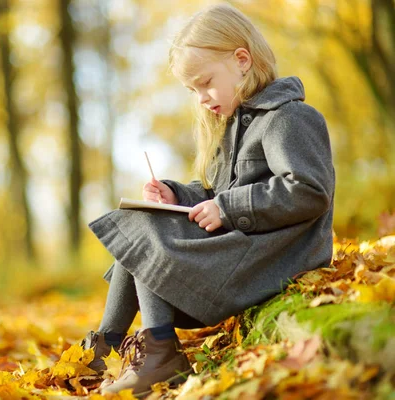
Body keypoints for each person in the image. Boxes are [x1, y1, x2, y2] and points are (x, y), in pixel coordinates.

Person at [81, 3, 335, 397]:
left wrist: (229, 209)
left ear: (242, 61)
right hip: (245, 251)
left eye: (205, 83)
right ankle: (107, 347)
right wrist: (174, 194)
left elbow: (308, 191)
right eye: (192, 90)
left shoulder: (288, 118)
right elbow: (217, 194)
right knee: (144, 219)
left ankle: (157, 350)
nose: (201, 98)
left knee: (146, 230)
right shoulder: (233, 125)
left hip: (278, 258)